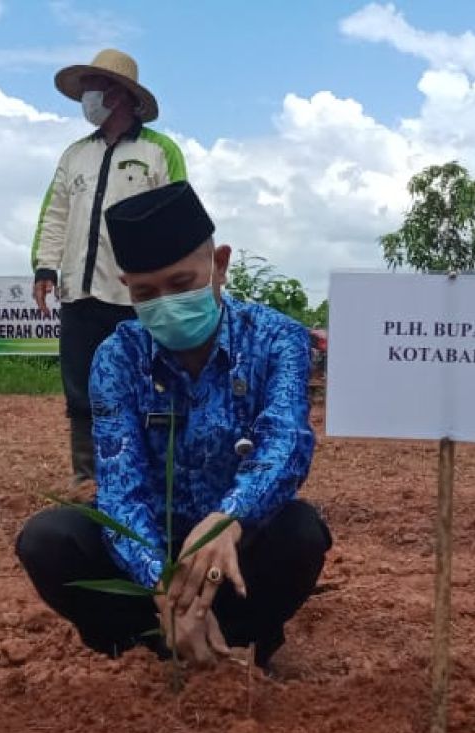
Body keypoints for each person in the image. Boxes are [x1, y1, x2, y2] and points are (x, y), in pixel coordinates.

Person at [16, 181, 331, 669]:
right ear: (127, 287)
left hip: (237, 544)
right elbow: (121, 490)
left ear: (219, 265)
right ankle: (144, 649)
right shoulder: (117, 356)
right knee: (49, 540)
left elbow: (286, 443)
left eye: (182, 285)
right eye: (146, 292)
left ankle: (247, 641)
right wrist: (161, 580)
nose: (165, 304)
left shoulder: (276, 339)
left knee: (300, 531)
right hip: (147, 563)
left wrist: (230, 517)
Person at [30, 49, 187, 489]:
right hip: (79, 294)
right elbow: (55, 214)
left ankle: (144, 479)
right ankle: (87, 480)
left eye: (93, 88)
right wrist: (45, 268)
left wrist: (166, 284)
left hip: (136, 298)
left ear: (119, 94)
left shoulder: (160, 151)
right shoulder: (74, 155)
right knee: (80, 391)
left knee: (141, 386)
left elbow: (177, 216)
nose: (87, 97)